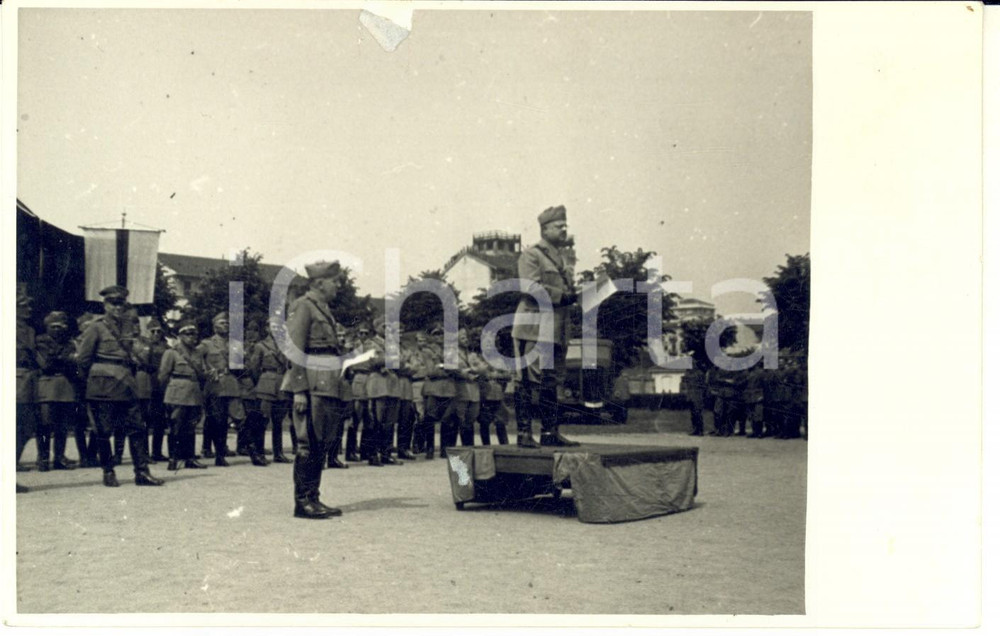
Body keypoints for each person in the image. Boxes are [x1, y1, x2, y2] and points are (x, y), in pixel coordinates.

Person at [281, 260, 349, 519]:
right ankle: (302, 502)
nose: (338, 285)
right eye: (335, 281)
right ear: (320, 283)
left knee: (321, 443)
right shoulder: (303, 306)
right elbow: (294, 350)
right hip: (310, 385)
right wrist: (298, 390)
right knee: (307, 443)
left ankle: (313, 497)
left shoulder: (324, 309)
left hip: (327, 385)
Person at [76, 285, 164, 487]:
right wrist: (88, 385)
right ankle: (108, 471)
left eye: (121, 303)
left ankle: (142, 472)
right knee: (104, 431)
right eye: (113, 303)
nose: (117, 307)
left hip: (126, 385)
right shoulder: (95, 327)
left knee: (137, 428)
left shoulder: (128, 328)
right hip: (103, 387)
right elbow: (83, 359)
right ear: (105, 305)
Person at [511, 205, 579, 448]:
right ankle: (524, 434)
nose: (563, 229)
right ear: (545, 229)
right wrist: (563, 296)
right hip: (533, 328)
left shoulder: (561, 258)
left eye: (565, 226)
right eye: (558, 226)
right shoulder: (532, 254)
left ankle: (550, 433)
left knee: (551, 381)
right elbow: (530, 288)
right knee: (529, 380)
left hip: (556, 329)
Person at [197, 312, 268, 467]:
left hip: (232, 384)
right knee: (218, 421)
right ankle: (220, 455)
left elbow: (244, 366)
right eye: (222, 323)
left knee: (242, 419)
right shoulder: (206, 344)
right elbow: (194, 359)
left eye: (227, 323)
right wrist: (206, 371)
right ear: (214, 325)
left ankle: (253, 453)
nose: (226, 325)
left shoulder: (235, 344)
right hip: (215, 386)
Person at [158, 321, 208, 470]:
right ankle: (173, 459)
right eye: (188, 334)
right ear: (180, 336)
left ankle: (190, 458)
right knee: (175, 427)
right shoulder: (171, 353)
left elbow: (201, 373)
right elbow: (163, 375)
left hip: (193, 392)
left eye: (195, 334)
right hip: (177, 393)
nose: (192, 337)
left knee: (191, 427)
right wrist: (166, 395)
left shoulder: (198, 353)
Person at [35, 311, 80, 471]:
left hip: (65, 387)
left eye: (61, 327)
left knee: (62, 426)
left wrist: (61, 359)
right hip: (47, 387)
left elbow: (75, 366)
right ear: (47, 327)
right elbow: (46, 364)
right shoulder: (40, 341)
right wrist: (66, 359)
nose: (58, 330)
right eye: (54, 327)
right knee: (45, 424)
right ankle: (43, 458)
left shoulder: (69, 343)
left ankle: (59, 458)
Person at [248, 319, 294, 463]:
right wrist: (261, 382)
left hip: (282, 385)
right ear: (267, 329)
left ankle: (278, 453)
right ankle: (259, 453)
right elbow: (254, 368)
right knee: (262, 420)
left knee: (278, 421)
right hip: (266, 384)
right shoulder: (260, 346)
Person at [16, 293, 39, 491]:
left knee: (25, 428)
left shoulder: (30, 330)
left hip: (28, 381)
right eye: (23, 306)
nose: (28, 310)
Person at [139, 319, 171, 461]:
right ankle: (144, 453)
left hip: (161, 387)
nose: (156, 334)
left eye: (159, 331)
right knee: (145, 421)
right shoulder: (141, 345)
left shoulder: (166, 346)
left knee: (159, 421)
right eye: (153, 331)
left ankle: (156, 452)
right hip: (147, 385)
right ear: (147, 332)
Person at [680, 365, 708, 436]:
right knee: (693, 414)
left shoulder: (700, 373)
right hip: (690, 395)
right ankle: (695, 429)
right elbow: (684, 383)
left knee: (698, 413)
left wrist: (702, 394)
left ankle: (700, 430)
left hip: (698, 395)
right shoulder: (688, 373)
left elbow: (704, 385)